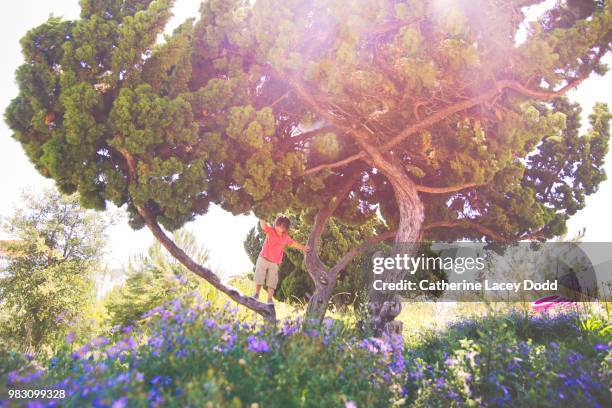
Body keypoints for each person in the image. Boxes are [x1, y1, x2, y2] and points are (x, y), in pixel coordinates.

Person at [252, 215, 310, 304]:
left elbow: (293, 243)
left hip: (274, 262)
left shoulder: (285, 237)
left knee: (272, 281)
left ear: (285, 228)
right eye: (278, 224)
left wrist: (303, 248)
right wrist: (261, 214)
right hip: (263, 258)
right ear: (275, 224)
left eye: (282, 226)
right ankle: (256, 294)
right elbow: (263, 225)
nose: (279, 227)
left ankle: (269, 299)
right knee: (259, 276)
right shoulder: (271, 231)